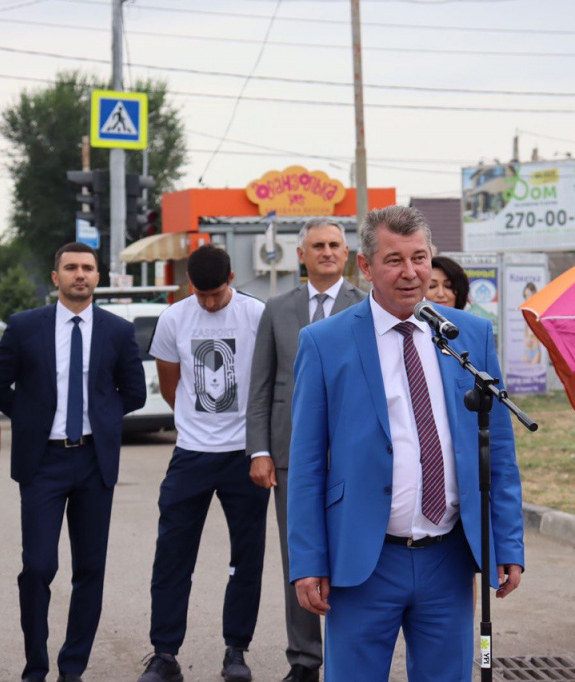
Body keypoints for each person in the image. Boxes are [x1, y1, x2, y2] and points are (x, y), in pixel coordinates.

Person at [288, 206, 525, 681]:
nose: (411, 272)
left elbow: (496, 448)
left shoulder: (467, 335)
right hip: (363, 558)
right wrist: (307, 559)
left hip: (449, 557)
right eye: (394, 260)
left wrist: (508, 542)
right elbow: (308, 462)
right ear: (366, 266)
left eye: (420, 257)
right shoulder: (324, 341)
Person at [0, 243, 146, 682]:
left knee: (90, 569)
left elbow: (133, 391)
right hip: (43, 463)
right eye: (71, 267)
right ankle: (35, 667)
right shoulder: (25, 327)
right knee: (38, 566)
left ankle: (71, 668)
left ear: (98, 277)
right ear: (55, 276)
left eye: (88, 268)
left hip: (95, 463)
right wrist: (27, 413)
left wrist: (103, 414)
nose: (80, 274)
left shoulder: (117, 330)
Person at [138, 244, 268, 682]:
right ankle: (164, 653)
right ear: (189, 286)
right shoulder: (175, 317)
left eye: (216, 293)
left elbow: (267, 380)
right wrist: (196, 426)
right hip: (191, 454)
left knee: (246, 556)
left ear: (231, 278)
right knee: (172, 554)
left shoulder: (255, 314)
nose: (210, 302)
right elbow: (172, 386)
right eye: (201, 294)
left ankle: (236, 650)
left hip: (245, 454)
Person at [246, 218, 364, 682]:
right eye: (318, 245)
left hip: (352, 454)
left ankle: (344, 655)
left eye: (335, 244)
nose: (328, 252)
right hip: (290, 454)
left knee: (350, 553)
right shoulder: (277, 309)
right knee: (300, 558)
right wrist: (259, 449)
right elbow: (260, 387)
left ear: (348, 252)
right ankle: (304, 659)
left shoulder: (366, 305)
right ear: (302, 254)